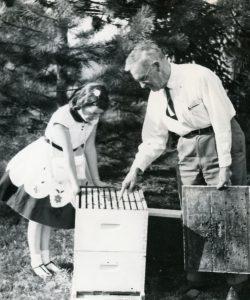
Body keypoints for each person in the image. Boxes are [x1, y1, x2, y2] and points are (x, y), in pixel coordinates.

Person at [120, 42, 248, 300]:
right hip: (187, 146)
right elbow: (154, 139)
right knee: (193, 210)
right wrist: (137, 168)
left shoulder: (198, 76)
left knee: (227, 210)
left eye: (143, 79)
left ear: (156, 65)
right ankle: (197, 280)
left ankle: (238, 284)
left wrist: (225, 165)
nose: (142, 86)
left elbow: (222, 121)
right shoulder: (156, 94)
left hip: (219, 139)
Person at [0, 82, 109, 279]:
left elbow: (89, 148)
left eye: (98, 115)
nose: (94, 118)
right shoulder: (62, 117)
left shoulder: (92, 117)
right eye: (91, 113)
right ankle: (36, 261)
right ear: (80, 104)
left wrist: (96, 179)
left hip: (71, 162)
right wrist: (75, 185)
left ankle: (47, 258)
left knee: (48, 213)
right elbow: (65, 154)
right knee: (37, 214)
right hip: (49, 162)